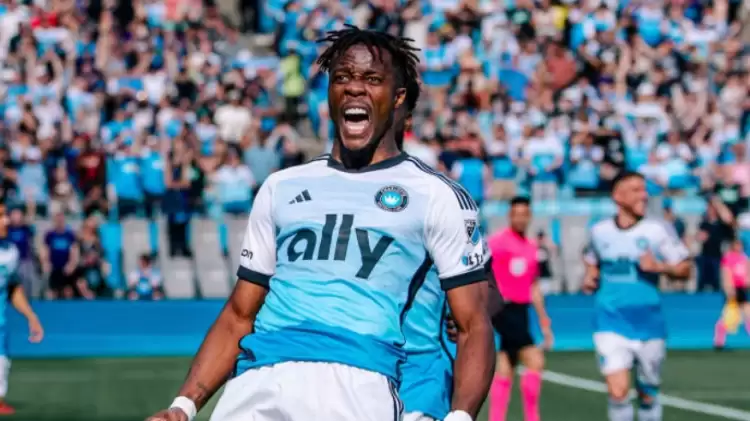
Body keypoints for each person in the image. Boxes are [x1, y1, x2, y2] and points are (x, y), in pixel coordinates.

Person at [147, 27, 494, 421]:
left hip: (356, 381)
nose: (354, 88)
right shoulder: (281, 186)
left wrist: (460, 416)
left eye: (372, 79)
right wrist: (183, 406)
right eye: (342, 77)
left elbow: (473, 323)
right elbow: (239, 315)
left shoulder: (435, 195)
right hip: (256, 380)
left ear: (398, 98)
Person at [582, 171, 691, 421]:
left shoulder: (657, 230)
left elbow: (685, 268)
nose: (644, 195)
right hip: (610, 321)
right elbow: (591, 259)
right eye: (635, 190)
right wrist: (590, 276)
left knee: (648, 393)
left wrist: (659, 267)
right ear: (617, 196)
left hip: (649, 324)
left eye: (644, 190)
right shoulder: (599, 231)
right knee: (618, 391)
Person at [486, 197, 553, 421]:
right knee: (535, 360)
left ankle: (496, 418)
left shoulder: (532, 247)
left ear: (530, 216)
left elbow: (533, 287)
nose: (520, 219)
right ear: (510, 216)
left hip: (521, 310)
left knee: (506, 364)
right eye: (516, 214)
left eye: (525, 214)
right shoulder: (497, 243)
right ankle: (532, 417)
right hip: (503, 309)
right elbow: (482, 272)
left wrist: (544, 320)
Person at [0, 203, 44, 414]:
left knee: (2, 365)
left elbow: (12, 288)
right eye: (1, 216)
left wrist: (31, 316)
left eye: (6, 215)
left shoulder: (10, 252)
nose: (6, 221)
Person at [713, 234, 750, 349]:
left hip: (742, 289)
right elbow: (726, 274)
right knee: (729, 316)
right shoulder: (728, 258)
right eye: (737, 244)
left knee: (748, 314)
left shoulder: (744, 258)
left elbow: (747, 273)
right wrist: (729, 288)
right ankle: (719, 341)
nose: (739, 247)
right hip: (733, 290)